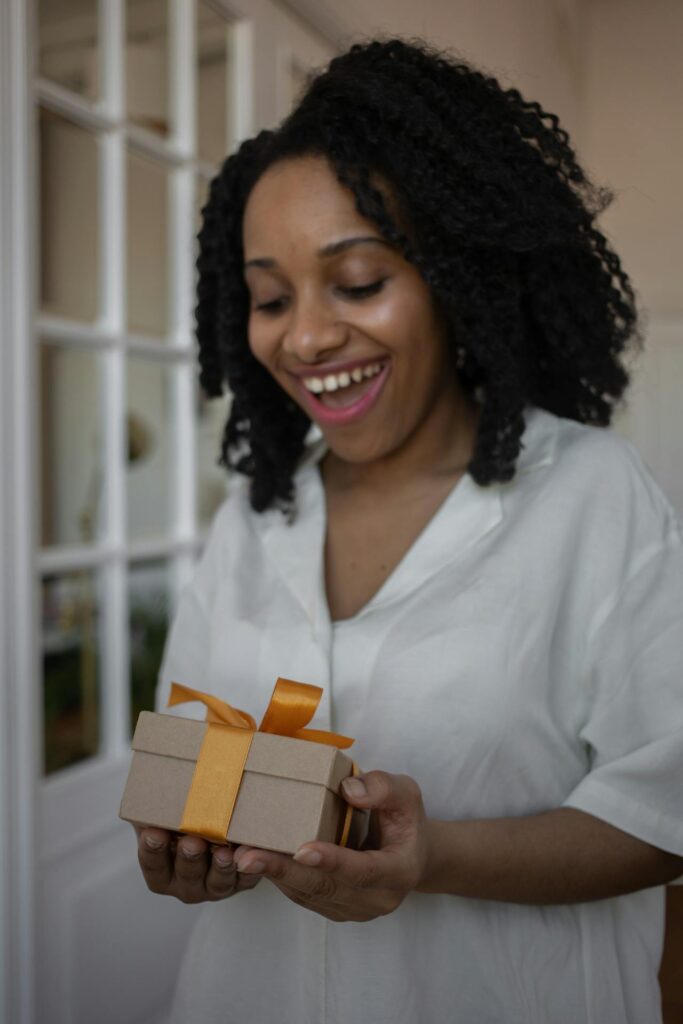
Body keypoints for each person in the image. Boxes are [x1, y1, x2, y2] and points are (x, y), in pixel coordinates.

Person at [135, 38, 683, 1024]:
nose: (303, 338)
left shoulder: (592, 498)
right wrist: (186, 845)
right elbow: (190, 748)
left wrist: (434, 856)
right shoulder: (256, 517)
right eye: (268, 297)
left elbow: (666, 812)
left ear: (457, 283)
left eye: (354, 280)